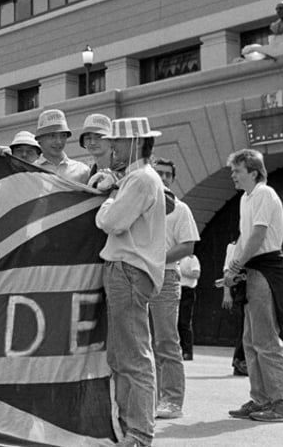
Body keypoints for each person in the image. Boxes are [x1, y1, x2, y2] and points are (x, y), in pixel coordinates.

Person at [94, 117, 166, 447]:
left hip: (129, 269)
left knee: (133, 355)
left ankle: (138, 432)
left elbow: (111, 221)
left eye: (117, 143)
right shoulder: (139, 179)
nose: (111, 148)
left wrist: (108, 198)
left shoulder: (139, 179)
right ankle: (130, 426)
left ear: (134, 144)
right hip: (130, 271)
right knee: (126, 354)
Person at [223, 148, 283, 423]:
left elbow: (259, 234)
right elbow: (245, 237)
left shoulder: (264, 193)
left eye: (237, 170)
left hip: (265, 268)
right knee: (251, 341)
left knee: (266, 341)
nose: (233, 175)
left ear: (253, 172)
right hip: (253, 269)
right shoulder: (246, 198)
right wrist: (232, 269)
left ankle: (282, 404)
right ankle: (261, 399)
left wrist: (236, 266)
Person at [148, 157, 200, 420]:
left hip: (166, 278)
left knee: (166, 341)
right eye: (159, 173)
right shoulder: (141, 204)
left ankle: (172, 401)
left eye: (168, 174)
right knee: (143, 342)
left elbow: (188, 245)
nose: (164, 178)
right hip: (140, 278)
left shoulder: (180, 209)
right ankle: (150, 398)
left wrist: (155, 258)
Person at [35, 109, 90, 184]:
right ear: (39, 138)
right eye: (52, 136)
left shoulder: (82, 171)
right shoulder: (29, 173)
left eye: (63, 136)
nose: (59, 141)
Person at [176, 253, 200, 360]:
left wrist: (182, 272)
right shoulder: (175, 257)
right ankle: (177, 350)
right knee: (174, 321)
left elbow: (196, 274)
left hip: (187, 291)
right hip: (176, 290)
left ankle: (187, 351)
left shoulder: (192, 258)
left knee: (184, 322)